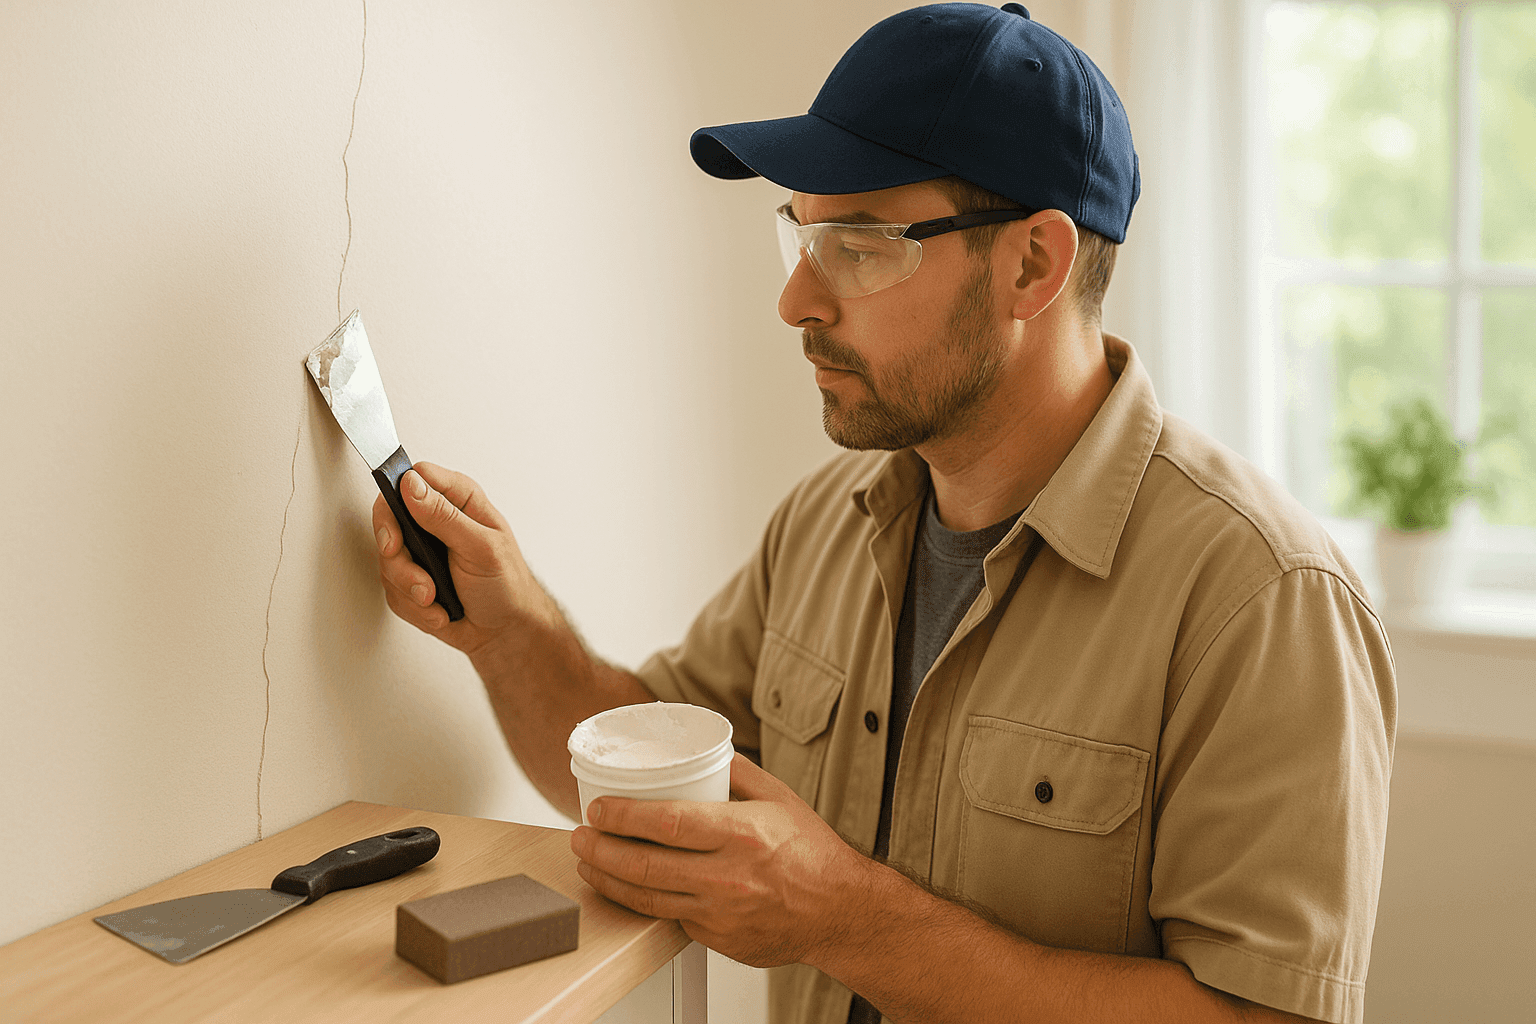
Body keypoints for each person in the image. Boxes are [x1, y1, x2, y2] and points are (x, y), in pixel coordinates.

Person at [372, 4, 1395, 1023]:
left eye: (859, 244)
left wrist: (843, 920)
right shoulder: (826, 522)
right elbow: (653, 792)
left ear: (1032, 264)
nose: (797, 302)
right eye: (802, 236)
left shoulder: (1263, 597)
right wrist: (509, 630)